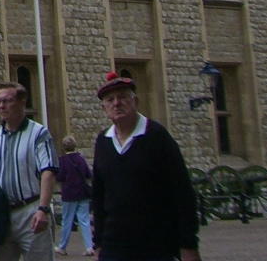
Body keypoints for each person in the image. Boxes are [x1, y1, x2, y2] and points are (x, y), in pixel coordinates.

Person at [89, 70, 199, 261]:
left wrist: (188, 244)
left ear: (135, 101)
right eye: (110, 99)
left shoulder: (157, 136)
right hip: (114, 245)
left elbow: (182, 191)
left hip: (155, 244)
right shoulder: (103, 141)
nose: (116, 103)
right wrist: (98, 243)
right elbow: (99, 196)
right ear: (104, 107)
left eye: (123, 97)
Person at [0, 83, 57, 261]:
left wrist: (43, 208)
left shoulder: (39, 133)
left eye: (7, 101)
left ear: (22, 102)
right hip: (2, 214)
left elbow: (48, 171)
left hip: (31, 210)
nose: (2, 106)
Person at [53, 136, 92, 256]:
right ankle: (89, 247)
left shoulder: (62, 160)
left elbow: (59, 177)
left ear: (64, 147)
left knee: (67, 220)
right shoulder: (80, 158)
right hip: (83, 192)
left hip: (69, 193)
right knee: (84, 220)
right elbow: (88, 174)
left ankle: (62, 246)